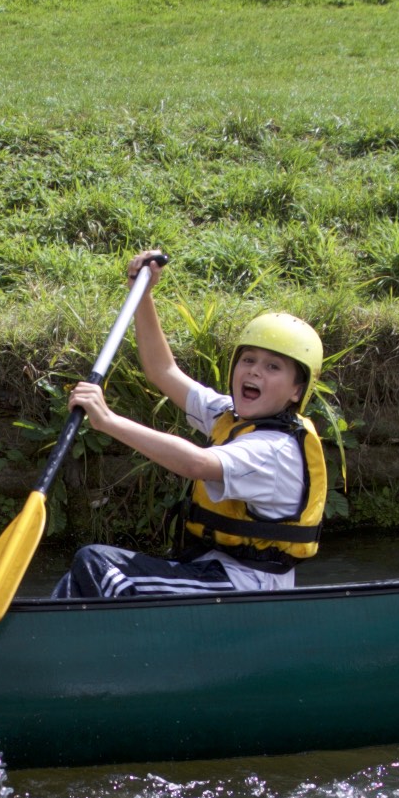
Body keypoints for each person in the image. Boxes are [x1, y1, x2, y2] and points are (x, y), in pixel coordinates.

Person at [50, 249, 330, 600]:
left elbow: (197, 463)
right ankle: (43, 632)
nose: (255, 370)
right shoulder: (232, 416)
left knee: (97, 564)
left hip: (245, 590)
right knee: (88, 570)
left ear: (296, 390)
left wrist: (108, 420)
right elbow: (162, 371)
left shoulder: (275, 451)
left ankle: (81, 640)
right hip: (209, 572)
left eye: (274, 367)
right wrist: (144, 296)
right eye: (248, 360)